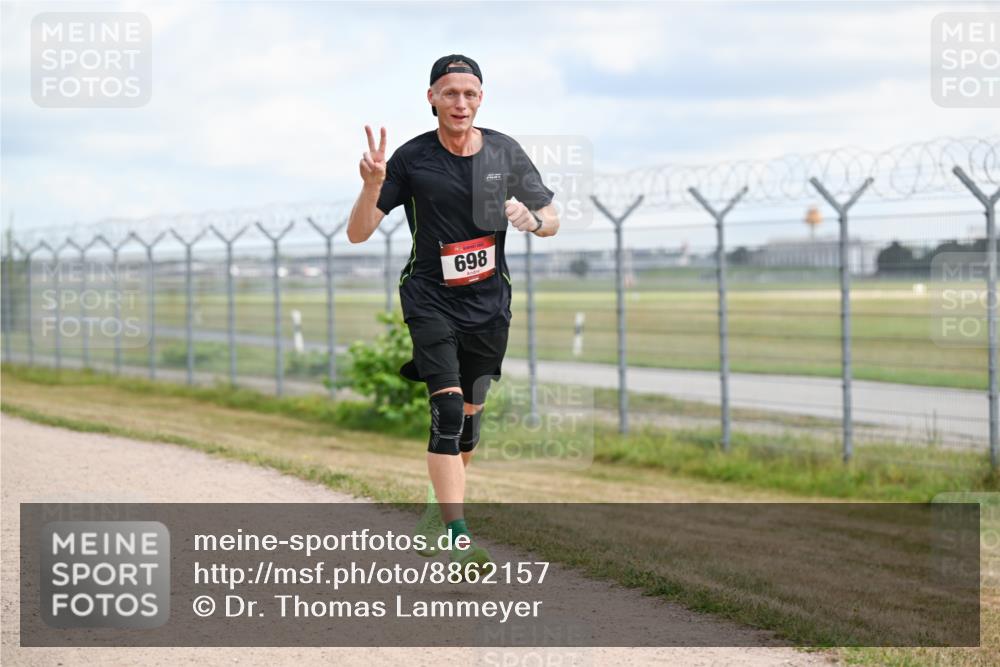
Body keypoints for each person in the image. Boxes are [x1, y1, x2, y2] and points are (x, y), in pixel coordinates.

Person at [347, 54, 559, 574]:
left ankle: (435, 510)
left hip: (489, 305)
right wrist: (372, 185)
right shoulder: (411, 159)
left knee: (467, 426)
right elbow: (358, 232)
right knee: (445, 412)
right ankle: (460, 540)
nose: (460, 102)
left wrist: (532, 220)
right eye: (449, 93)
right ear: (432, 99)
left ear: (480, 98)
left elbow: (552, 217)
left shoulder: (504, 151)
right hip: (430, 299)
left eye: (469, 93)